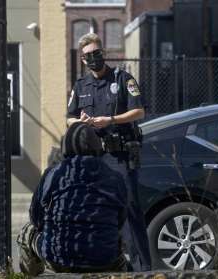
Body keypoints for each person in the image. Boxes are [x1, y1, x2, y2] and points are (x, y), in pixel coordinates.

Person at [67, 32, 151, 271]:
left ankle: (143, 270)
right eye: (88, 56)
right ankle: (107, 267)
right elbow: (69, 120)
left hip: (121, 157)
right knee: (97, 212)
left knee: (130, 210)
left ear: (103, 53)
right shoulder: (81, 86)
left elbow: (140, 112)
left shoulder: (123, 79)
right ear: (82, 60)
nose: (93, 58)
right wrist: (81, 122)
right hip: (93, 159)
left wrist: (111, 119)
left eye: (96, 53)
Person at [17, 122, 128, 276]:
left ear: (65, 147)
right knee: (117, 242)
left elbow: (36, 218)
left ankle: (38, 274)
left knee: (26, 232)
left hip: (58, 257)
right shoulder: (114, 177)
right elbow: (120, 219)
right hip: (103, 258)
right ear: (98, 147)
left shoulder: (53, 174)